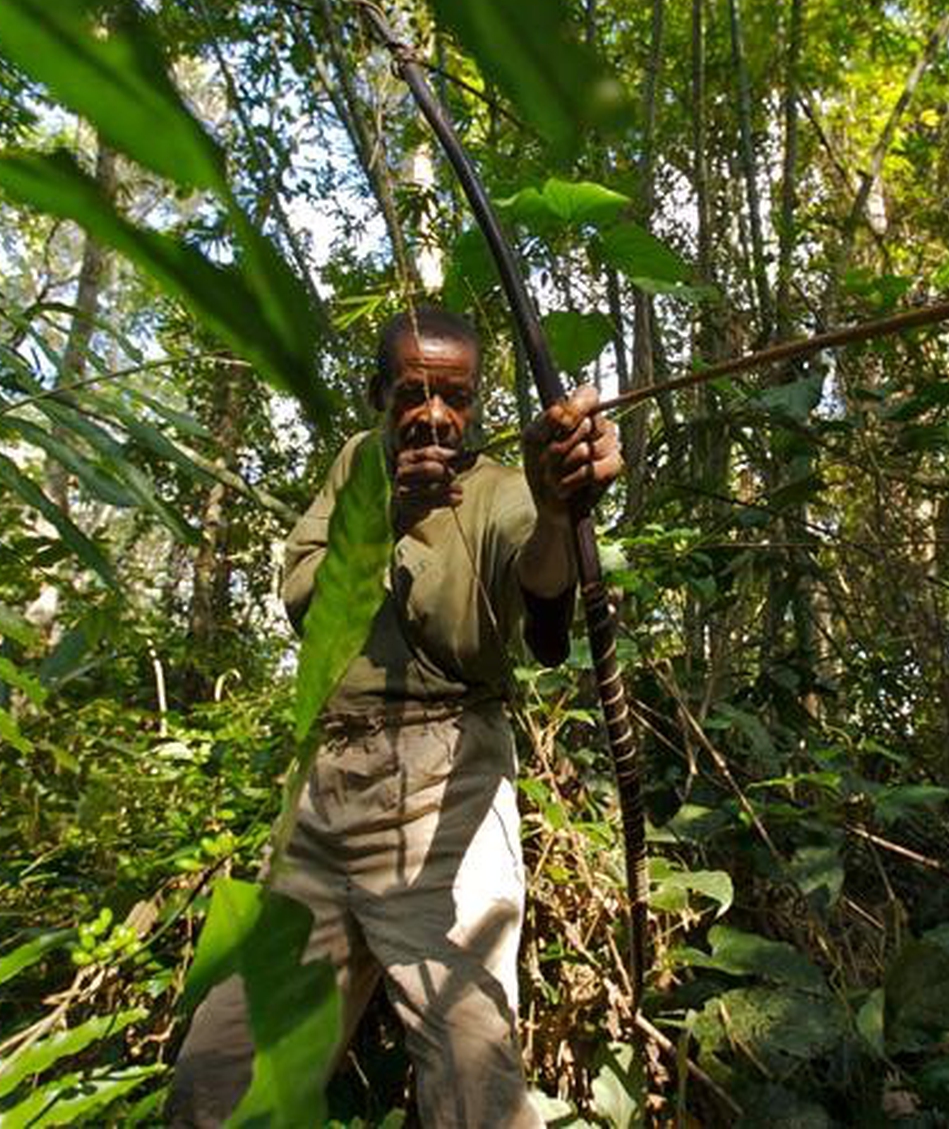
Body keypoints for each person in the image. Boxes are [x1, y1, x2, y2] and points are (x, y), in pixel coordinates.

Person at [169, 306, 622, 1127]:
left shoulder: (501, 489)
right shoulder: (358, 464)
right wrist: (382, 521)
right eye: (414, 393)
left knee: (471, 1072)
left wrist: (560, 510)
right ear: (378, 394)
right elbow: (303, 595)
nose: (438, 416)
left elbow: (548, 615)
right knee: (219, 1073)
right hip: (325, 802)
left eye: (458, 397)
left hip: (445, 791)